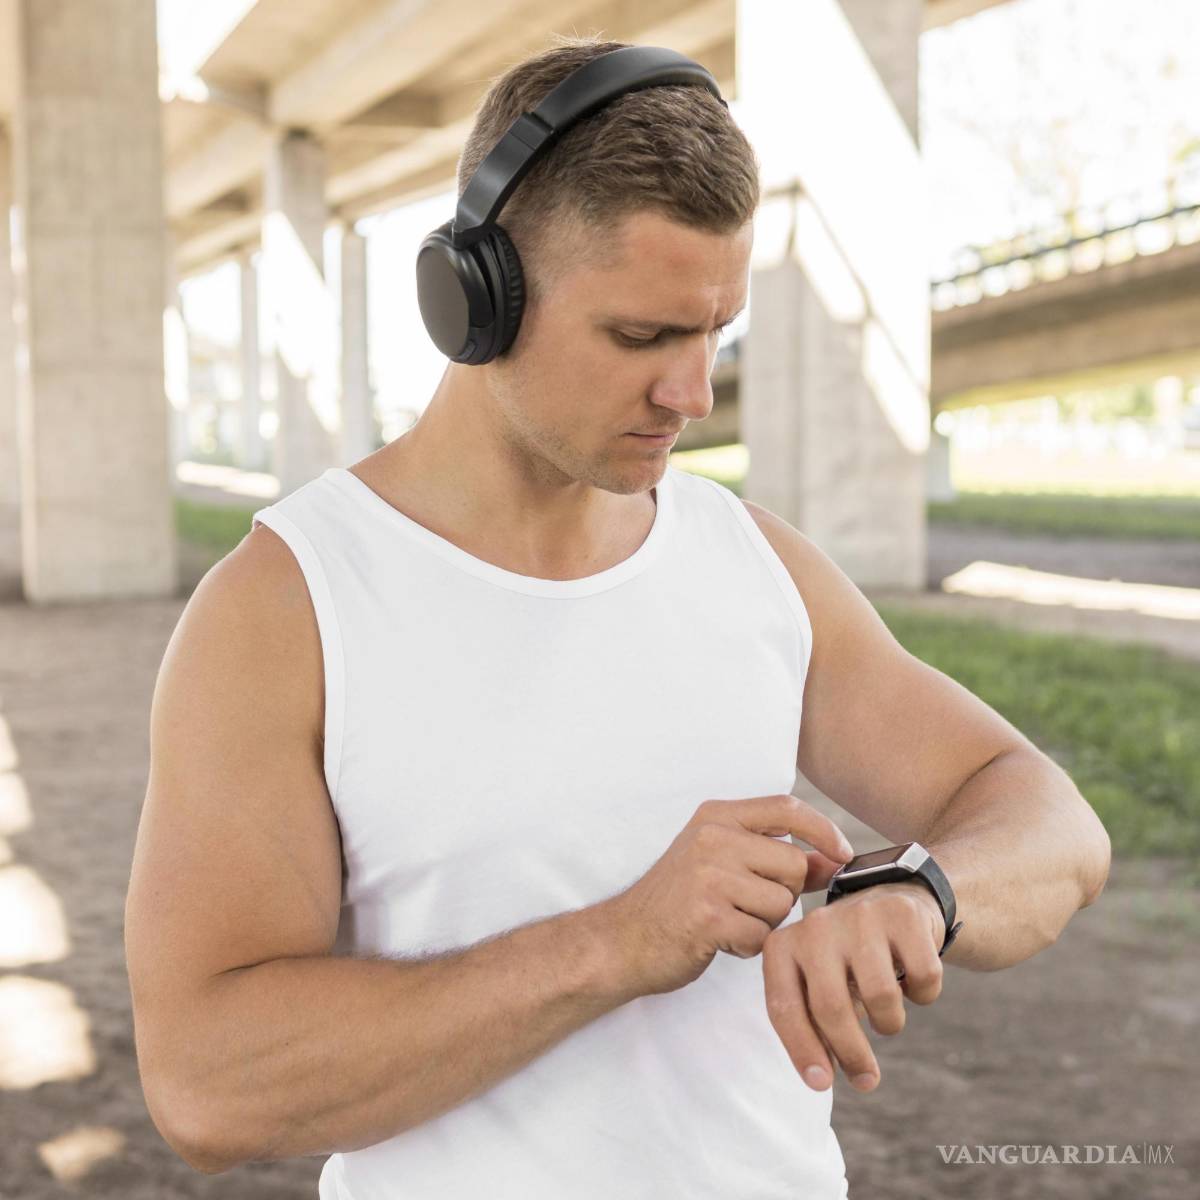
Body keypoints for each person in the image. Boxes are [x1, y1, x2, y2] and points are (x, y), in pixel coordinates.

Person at [124, 34, 1111, 1200]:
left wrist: (925, 892)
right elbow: (207, 1086)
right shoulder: (289, 609)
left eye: (714, 334)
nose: (693, 394)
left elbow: (1051, 821)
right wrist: (616, 942)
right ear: (475, 300)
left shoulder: (757, 566)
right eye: (643, 337)